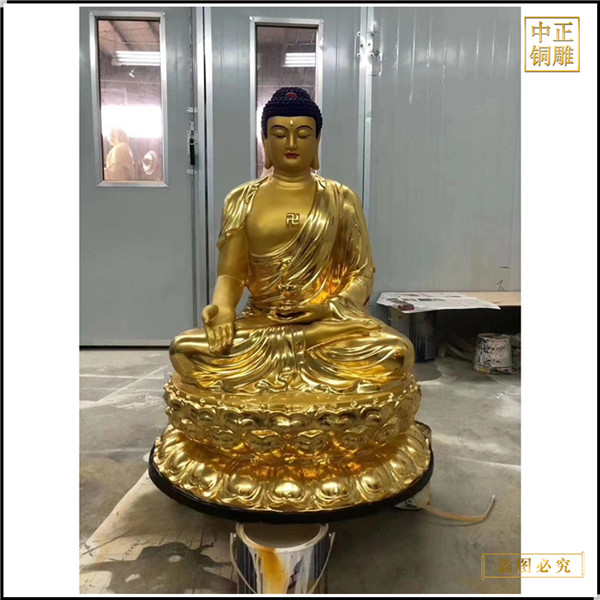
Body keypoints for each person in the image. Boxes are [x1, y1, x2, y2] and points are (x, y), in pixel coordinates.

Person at [169, 87, 415, 395]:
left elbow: (362, 273)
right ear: (265, 142)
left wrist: (326, 310)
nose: (291, 143)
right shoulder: (241, 199)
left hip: (325, 325)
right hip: (262, 323)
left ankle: (296, 355)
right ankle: (304, 361)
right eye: (279, 134)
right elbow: (231, 275)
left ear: (317, 141)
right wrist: (223, 308)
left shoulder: (341, 198)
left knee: (396, 353)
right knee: (185, 350)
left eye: (303, 134)